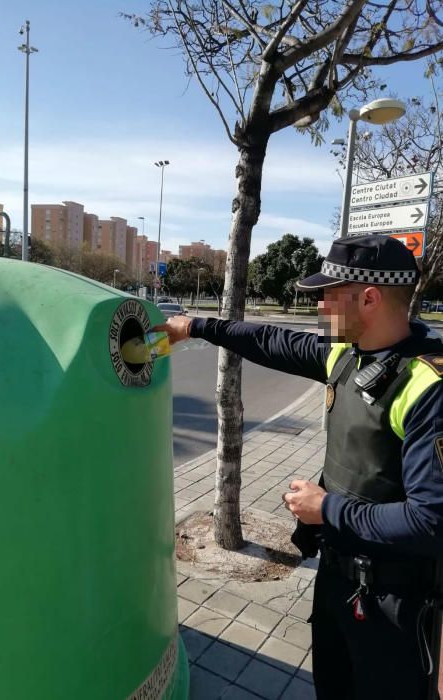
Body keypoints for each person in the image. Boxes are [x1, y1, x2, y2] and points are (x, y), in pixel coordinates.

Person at [155, 234, 443, 700]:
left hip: (394, 605)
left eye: (327, 297)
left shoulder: (428, 387)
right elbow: (271, 339)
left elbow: (431, 522)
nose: (318, 309)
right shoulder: (345, 355)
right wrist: (195, 326)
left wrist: (328, 508)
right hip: (337, 580)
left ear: (369, 298)